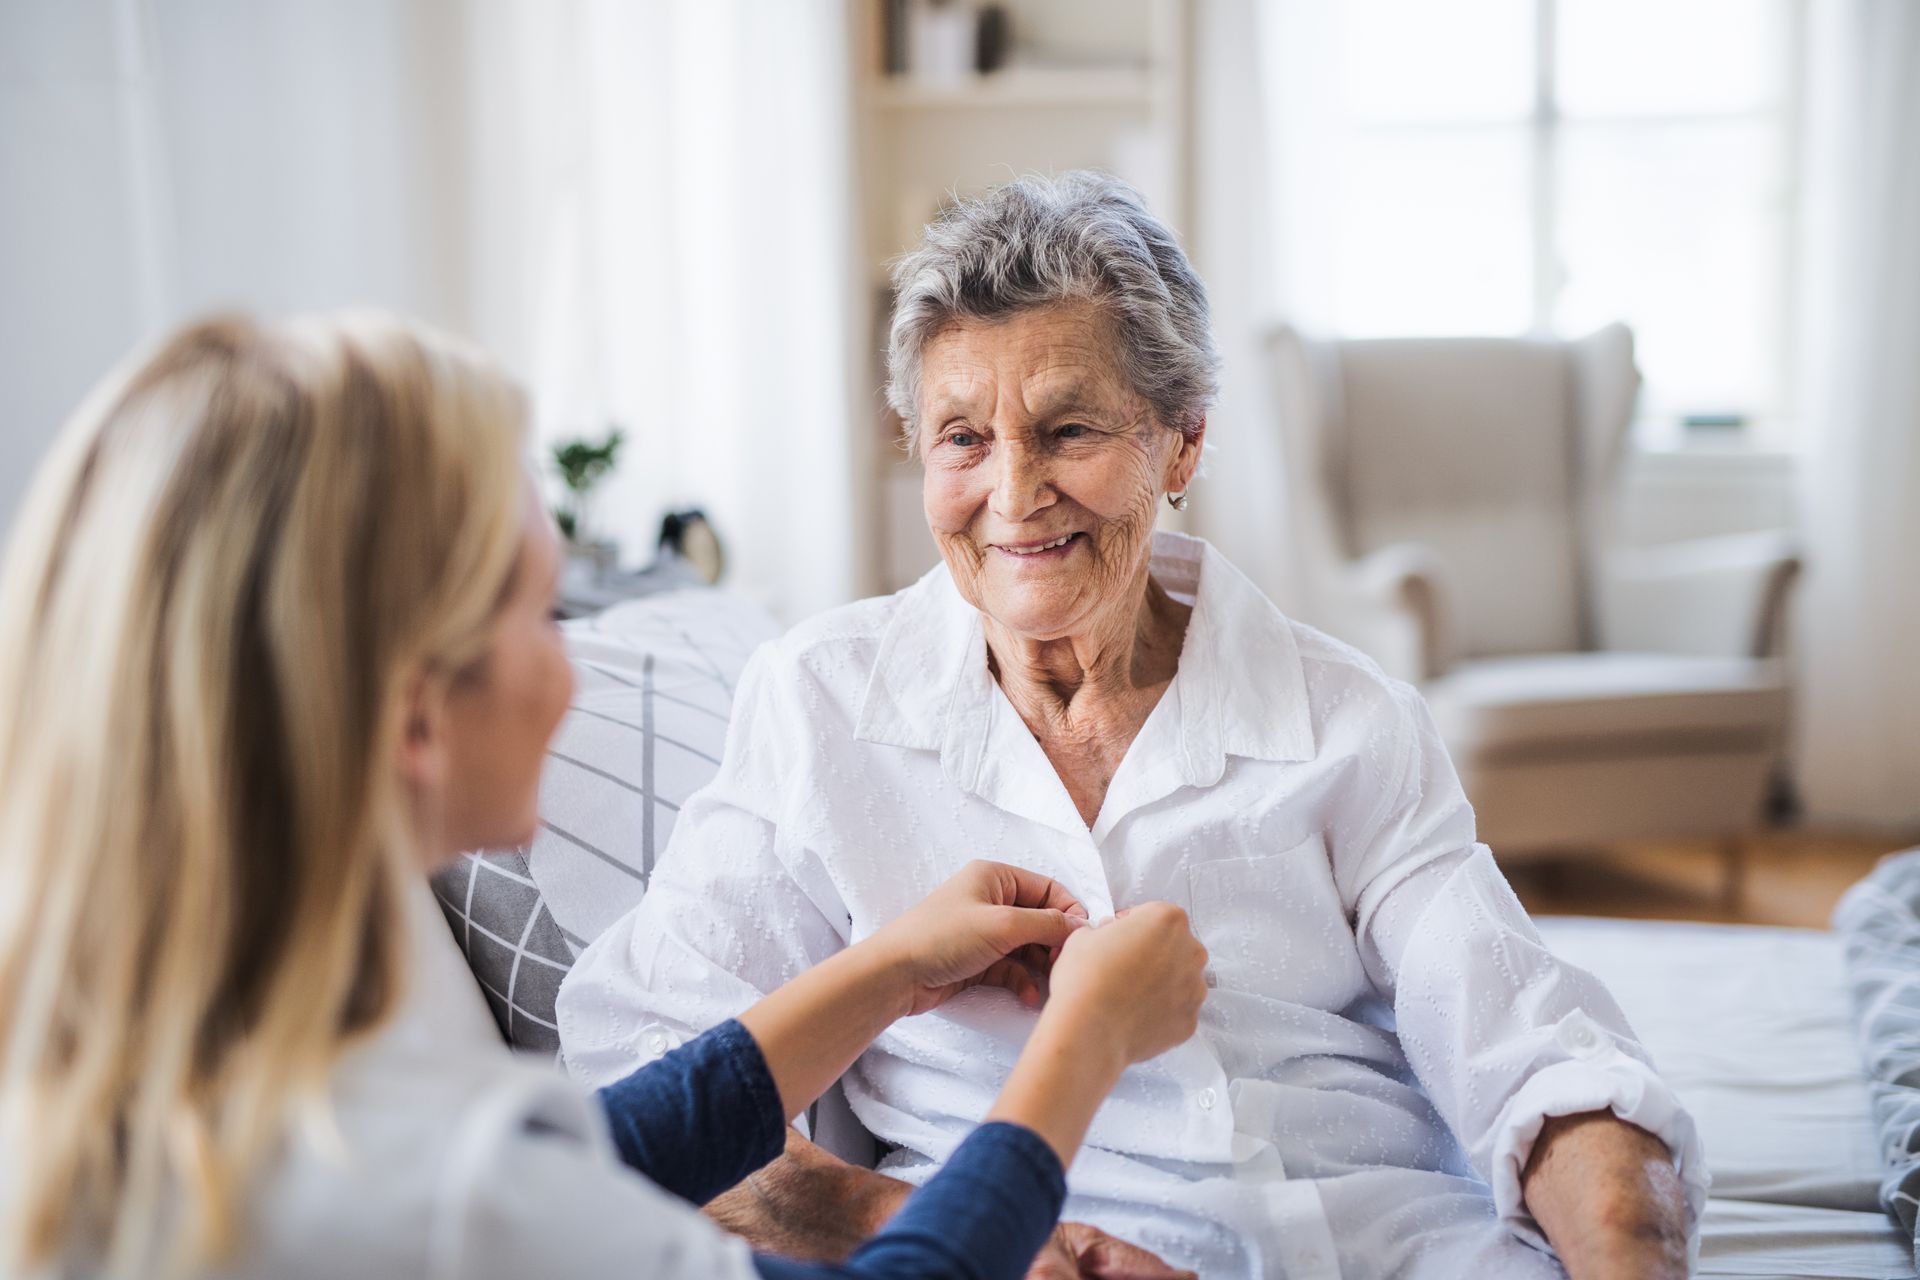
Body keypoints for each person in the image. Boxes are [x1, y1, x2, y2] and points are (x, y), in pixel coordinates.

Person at [558, 172, 1706, 1279]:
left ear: (1183, 441)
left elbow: (1537, 1054)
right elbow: (647, 1059)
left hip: (1381, 1240)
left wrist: (1622, 1241)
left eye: (1068, 431)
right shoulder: (819, 702)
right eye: (963, 437)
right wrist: (905, 1222)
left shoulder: (1346, 718)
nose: (1013, 493)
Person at [0, 312, 1211, 1280]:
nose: (573, 662)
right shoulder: (452, 1199)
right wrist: (1081, 1043)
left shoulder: (187, 1092)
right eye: (541, 609)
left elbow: (605, 1150)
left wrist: (887, 968)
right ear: (417, 712)